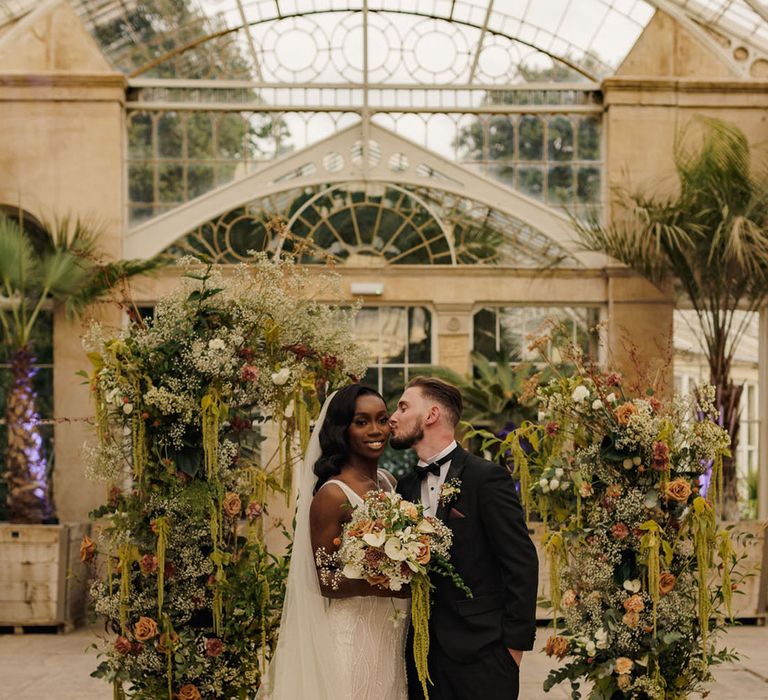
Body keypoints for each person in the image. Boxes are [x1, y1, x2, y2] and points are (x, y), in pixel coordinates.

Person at [391, 376, 538, 700]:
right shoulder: (404, 488)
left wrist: (512, 650)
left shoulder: (486, 478)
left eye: (403, 407)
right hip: (423, 659)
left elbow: (521, 563)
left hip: (484, 656)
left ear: (431, 415)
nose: (393, 417)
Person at [260, 384, 409, 700]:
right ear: (343, 429)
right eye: (362, 421)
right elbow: (324, 579)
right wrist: (389, 580)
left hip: (389, 633)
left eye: (382, 419)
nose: (376, 430)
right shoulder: (333, 495)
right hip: (352, 637)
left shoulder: (387, 483)